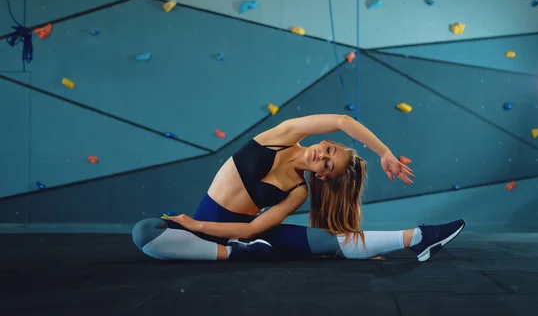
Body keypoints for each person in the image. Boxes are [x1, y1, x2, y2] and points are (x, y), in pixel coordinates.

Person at [132, 114, 465, 262]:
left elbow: (253, 228)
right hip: (208, 238)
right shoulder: (282, 136)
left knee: (328, 242)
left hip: (236, 233)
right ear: (323, 142)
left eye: (327, 165)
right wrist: (385, 153)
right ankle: (230, 255)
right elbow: (343, 122)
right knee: (145, 232)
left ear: (322, 176)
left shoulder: (298, 191)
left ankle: (420, 237)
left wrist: (197, 224)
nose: (323, 157)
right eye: (329, 150)